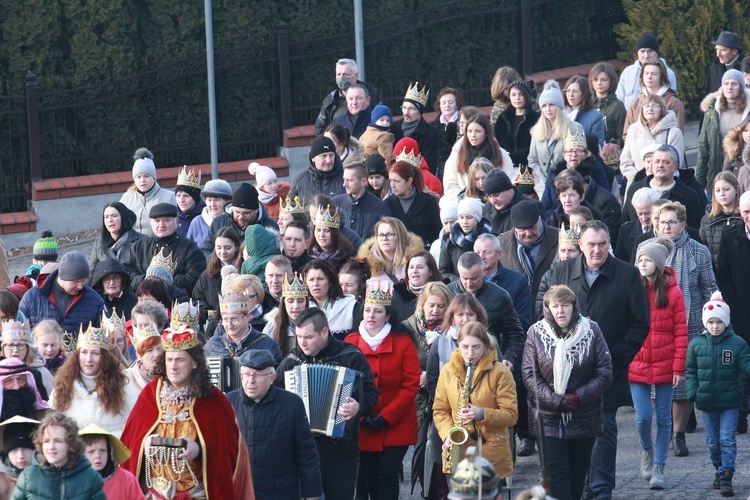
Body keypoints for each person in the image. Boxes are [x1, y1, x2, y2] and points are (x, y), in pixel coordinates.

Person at [547, 220, 650, 500]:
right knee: (576, 429)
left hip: (609, 367)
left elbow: (640, 323)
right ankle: (582, 486)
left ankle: (602, 489)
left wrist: (616, 355)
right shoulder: (563, 270)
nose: (597, 250)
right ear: (580, 245)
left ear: (609, 244)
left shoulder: (627, 275)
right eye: (591, 244)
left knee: (604, 427)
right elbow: (548, 314)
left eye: (602, 244)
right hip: (568, 368)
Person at [120, 325, 255, 498]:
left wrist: (198, 450)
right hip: (157, 492)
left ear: (194, 362)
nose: (173, 366)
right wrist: (145, 445)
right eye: (169, 360)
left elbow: (228, 451)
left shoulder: (213, 400)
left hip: (196, 493)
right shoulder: (150, 394)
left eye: (180, 360)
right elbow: (131, 442)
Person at [275, 308, 379, 500]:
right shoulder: (291, 363)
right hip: (301, 450)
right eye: (298, 337)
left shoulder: (350, 357)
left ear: (324, 332)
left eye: (308, 337)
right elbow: (275, 397)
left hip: (340, 451)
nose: (302, 343)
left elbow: (372, 392)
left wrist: (358, 407)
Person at [522, 285, 612, 500]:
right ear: (548, 308)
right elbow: (529, 375)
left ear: (574, 306)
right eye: (555, 306)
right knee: (555, 475)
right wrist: (556, 401)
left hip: (584, 416)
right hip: (548, 418)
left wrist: (579, 396)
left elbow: (605, 372)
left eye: (565, 305)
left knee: (577, 474)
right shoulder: (536, 333)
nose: (560, 311)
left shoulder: (591, 330)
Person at [345, 280, 420, 500]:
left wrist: (385, 417)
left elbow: (410, 385)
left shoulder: (403, 341)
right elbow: (345, 385)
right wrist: (361, 415)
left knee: (386, 475)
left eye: (377, 311)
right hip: (361, 423)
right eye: (367, 310)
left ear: (387, 316)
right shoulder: (351, 342)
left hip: (396, 423)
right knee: (365, 477)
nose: (371, 315)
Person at [630, 239, 688, 489]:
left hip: (665, 364)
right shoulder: (633, 288)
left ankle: (659, 468)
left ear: (659, 263)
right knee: (643, 418)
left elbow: (681, 332)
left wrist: (679, 368)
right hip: (637, 363)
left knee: (664, 419)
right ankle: (646, 450)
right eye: (640, 260)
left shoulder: (673, 293)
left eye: (648, 260)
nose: (643, 264)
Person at [227, 349, 322, 500]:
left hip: (280, 492)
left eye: (257, 375)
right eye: (246, 374)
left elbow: (306, 452)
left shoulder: (291, 404)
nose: (250, 381)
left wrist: (311, 493)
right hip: (240, 491)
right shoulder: (228, 403)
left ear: (272, 377)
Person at [433, 322, 518, 486]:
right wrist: (448, 434)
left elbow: (511, 416)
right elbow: (440, 410)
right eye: (465, 347)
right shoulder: (447, 371)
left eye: (476, 347)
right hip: (459, 453)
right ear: (458, 344)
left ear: (486, 346)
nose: (470, 353)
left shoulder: (500, 372)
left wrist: (481, 413)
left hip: (491, 454)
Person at [686, 292, 750, 497]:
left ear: (726, 322)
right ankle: (718, 467)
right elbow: (691, 370)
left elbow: (745, 365)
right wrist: (692, 392)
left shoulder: (738, 343)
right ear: (705, 323)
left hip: (730, 401)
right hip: (707, 401)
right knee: (713, 441)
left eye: (719, 322)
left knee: (728, 439)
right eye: (711, 322)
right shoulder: (696, 344)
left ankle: (726, 475)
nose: (715, 326)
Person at [49, 322, 138, 438]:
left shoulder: (122, 388)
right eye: (84, 352)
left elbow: (134, 427)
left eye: (95, 353)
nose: (88, 359)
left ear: (104, 357)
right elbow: (52, 426)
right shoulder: (63, 387)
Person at [447, 253, 525, 370]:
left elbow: (514, 333)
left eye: (474, 278)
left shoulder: (500, 296)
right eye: (464, 278)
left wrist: (509, 357)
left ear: (484, 271)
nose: (469, 283)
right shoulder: (448, 293)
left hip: (489, 363)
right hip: (451, 363)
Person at [12, 412, 105, 499]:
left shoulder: (91, 477)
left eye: (58, 441)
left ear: (71, 444)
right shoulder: (28, 477)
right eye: (46, 441)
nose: (51, 447)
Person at [123, 203, 206, 296]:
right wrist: (146, 281)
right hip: (143, 303)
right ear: (151, 223)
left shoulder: (190, 248)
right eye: (157, 221)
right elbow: (127, 274)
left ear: (176, 222)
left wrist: (163, 284)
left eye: (167, 220)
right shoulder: (139, 247)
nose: (161, 225)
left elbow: (194, 278)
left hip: (178, 303)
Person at [203, 270, 282, 363]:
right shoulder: (213, 342)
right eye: (225, 319)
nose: (229, 325)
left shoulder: (268, 342)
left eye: (234, 319)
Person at [20, 251, 105, 333]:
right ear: (62, 277)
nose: (80, 286)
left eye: (83, 281)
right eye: (76, 281)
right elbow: (21, 331)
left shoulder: (95, 301)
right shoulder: (31, 298)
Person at [528, 80, 586, 199]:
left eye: (551, 105)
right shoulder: (536, 130)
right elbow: (532, 159)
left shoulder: (575, 127)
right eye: (544, 106)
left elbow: (580, 157)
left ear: (559, 107)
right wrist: (543, 180)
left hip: (568, 185)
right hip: (543, 185)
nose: (548, 109)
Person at [624, 146, 704, 229]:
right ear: (652, 165)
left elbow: (696, 229)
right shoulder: (634, 190)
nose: (660, 165)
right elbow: (627, 223)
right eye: (657, 162)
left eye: (666, 162)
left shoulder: (690, 195)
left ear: (675, 167)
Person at [696, 69, 750, 189]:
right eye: (726, 83)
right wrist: (699, 180)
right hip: (716, 171)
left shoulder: (748, 110)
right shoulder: (712, 111)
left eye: (734, 84)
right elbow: (703, 146)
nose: (729, 87)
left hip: (741, 172)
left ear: (741, 87)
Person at [499, 200, 560, 301]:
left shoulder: (560, 239)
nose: (528, 233)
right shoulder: (501, 244)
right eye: (522, 229)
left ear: (539, 220)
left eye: (532, 227)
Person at [200, 181, 279, 258]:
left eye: (246, 213)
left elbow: (274, 256)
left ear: (256, 210)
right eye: (237, 212)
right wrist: (220, 263)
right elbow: (205, 251)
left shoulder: (269, 226)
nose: (241, 217)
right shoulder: (218, 222)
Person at [620, 95, 685, 186]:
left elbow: (676, 163)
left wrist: (655, 181)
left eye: (654, 106)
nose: (650, 109)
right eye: (646, 106)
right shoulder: (633, 129)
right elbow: (625, 161)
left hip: (664, 186)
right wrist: (639, 180)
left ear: (662, 109)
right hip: (636, 185)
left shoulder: (673, 132)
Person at [444, 115, 511, 201]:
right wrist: (464, 199)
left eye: (478, 131)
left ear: (486, 133)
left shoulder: (500, 154)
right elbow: (449, 183)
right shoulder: (457, 153)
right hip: (464, 202)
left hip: (495, 201)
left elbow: (508, 181)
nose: (473, 135)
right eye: (470, 131)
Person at [622, 58, 686, 143]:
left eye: (654, 74)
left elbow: (678, 135)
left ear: (661, 77)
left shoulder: (673, 103)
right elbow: (627, 134)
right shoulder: (635, 103)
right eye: (646, 73)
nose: (649, 77)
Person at [314, 58, 380, 137]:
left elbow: (382, 117)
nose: (341, 78)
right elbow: (320, 127)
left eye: (345, 74)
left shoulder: (372, 93)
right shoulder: (330, 100)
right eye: (339, 74)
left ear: (356, 76)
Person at [118, 148, 176, 238]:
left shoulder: (169, 197)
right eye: (139, 177)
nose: (142, 180)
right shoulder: (126, 198)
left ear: (153, 177)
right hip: (132, 248)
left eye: (146, 176)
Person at [79, 423, 144, 500]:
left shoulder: (126, 479)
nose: (98, 456)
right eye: (91, 451)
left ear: (109, 452)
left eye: (102, 450)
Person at [384, 161, 441, 248]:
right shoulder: (388, 203)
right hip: (396, 254)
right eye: (390, 180)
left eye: (397, 181)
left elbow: (437, 231)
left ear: (409, 181)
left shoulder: (428, 202)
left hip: (423, 253)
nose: (392, 185)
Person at [192, 226, 240, 327]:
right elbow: (197, 298)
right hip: (214, 325)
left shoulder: (243, 270)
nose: (223, 252)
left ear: (236, 247)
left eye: (227, 248)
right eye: (219, 248)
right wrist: (206, 311)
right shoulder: (208, 274)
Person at [616, 32, 678, 109]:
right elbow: (619, 100)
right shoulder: (627, 72)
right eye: (642, 51)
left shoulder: (668, 73)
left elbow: (671, 102)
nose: (646, 55)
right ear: (637, 52)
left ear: (656, 52)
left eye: (650, 51)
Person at [303, 259, 362, 340]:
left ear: (330, 282)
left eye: (320, 279)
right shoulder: (304, 307)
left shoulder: (351, 306)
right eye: (311, 280)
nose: (315, 284)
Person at [333, 162, 392, 240]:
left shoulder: (380, 207)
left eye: (349, 180)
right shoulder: (336, 202)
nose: (344, 184)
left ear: (363, 182)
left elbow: (386, 236)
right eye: (344, 180)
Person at [390, 82, 440, 173]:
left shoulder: (431, 133)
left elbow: (430, 164)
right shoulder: (392, 128)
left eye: (411, 109)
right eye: (404, 108)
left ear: (420, 112)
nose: (406, 112)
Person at [357, 217, 425, 283]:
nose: (384, 238)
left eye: (389, 234)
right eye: (380, 235)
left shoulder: (415, 263)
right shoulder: (365, 266)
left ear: (401, 237)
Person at [439, 197, 492, 282]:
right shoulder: (451, 241)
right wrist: (461, 282)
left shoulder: (489, 240)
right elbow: (444, 271)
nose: (464, 222)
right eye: (461, 217)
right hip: (458, 290)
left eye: (469, 217)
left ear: (477, 218)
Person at [88, 203, 145, 277]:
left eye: (114, 216)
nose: (110, 220)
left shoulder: (141, 241)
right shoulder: (99, 242)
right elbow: (92, 271)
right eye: (106, 217)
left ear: (124, 217)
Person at [700, 171, 742, 268]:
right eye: (717, 190)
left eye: (726, 189)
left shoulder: (744, 216)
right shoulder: (707, 220)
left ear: (736, 190)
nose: (722, 194)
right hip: (717, 275)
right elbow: (704, 251)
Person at [494, 79, 540, 168]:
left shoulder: (534, 118)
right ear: (509, 97)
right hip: (505, 164)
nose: (517, 98)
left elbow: (534, 147)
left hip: (528, 167)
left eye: (521, 94)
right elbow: (497, 142)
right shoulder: (503, 118)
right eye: (513, 95)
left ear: (527, 96)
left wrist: (516, 157)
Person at [290, 135, 346, 204]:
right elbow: (288, 209)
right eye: (324, 156)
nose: (328, 160)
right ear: (313, 158)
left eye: (331, 155)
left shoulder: (346, 179)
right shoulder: (299, 181)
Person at [392, 251, 442, 319]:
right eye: (411, 267)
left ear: (431, 272)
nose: (414, 271)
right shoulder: (397, 295)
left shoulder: (443, 293)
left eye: (420, 267)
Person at [482, 168, 532, 236]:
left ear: (509, 189)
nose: (493, 201)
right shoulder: (485, 211)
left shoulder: (530, 208)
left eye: (496, 195)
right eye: (489, 196)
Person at [616, 187, 660, 262]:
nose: (644, 218)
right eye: (640, 214)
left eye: (648, 213)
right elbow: (620, 261)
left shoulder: (665, 230)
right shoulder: (626, 230)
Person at [186, 178, 233, 249]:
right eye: (209, 200)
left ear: (227, 201)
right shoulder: (197, 222)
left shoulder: (234, 220)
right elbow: (189, 250)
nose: (212, 204)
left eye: (216, 200)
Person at [0, 416, 39, 498]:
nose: (20, 456)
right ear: (6, 452)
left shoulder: (49, 474)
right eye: (14, 450)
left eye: (25, 448)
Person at [124, 312, 164, 393]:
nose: (156, 354)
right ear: (138, 356)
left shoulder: (172, 375)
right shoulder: (126, 379)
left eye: (159, 349)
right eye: (149, 350)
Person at [308, 204, 355, 271]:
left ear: (334, 233)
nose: (321, 235)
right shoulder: (308, 254)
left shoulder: (347, 257)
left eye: (326, 231)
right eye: (318, 230)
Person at [590, 61, 627, 145]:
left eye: (603, 80)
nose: (599, 83)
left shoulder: (618, 106)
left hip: (610, 154)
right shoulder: (587, 104)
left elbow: (623, 136)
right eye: (596, 79)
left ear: (611, 81)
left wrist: (613, 145)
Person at [563, 75, 605, 146]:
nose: (570, 95)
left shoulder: (595, 116)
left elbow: (598, 145)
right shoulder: (560, 113)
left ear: (584, 94)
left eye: (575, 91)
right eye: (568, 91)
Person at [431, 87, 465, 174]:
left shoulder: (464, 123)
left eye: (450, 102)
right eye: (443, 103)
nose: (447, 106)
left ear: (457, 104)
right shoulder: (433, 127)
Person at [173, 166, 205, 238]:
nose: (181, 200)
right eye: (178, 196)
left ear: (195, 198)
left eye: (186, 196)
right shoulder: (172, 216)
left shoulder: (206, 216)